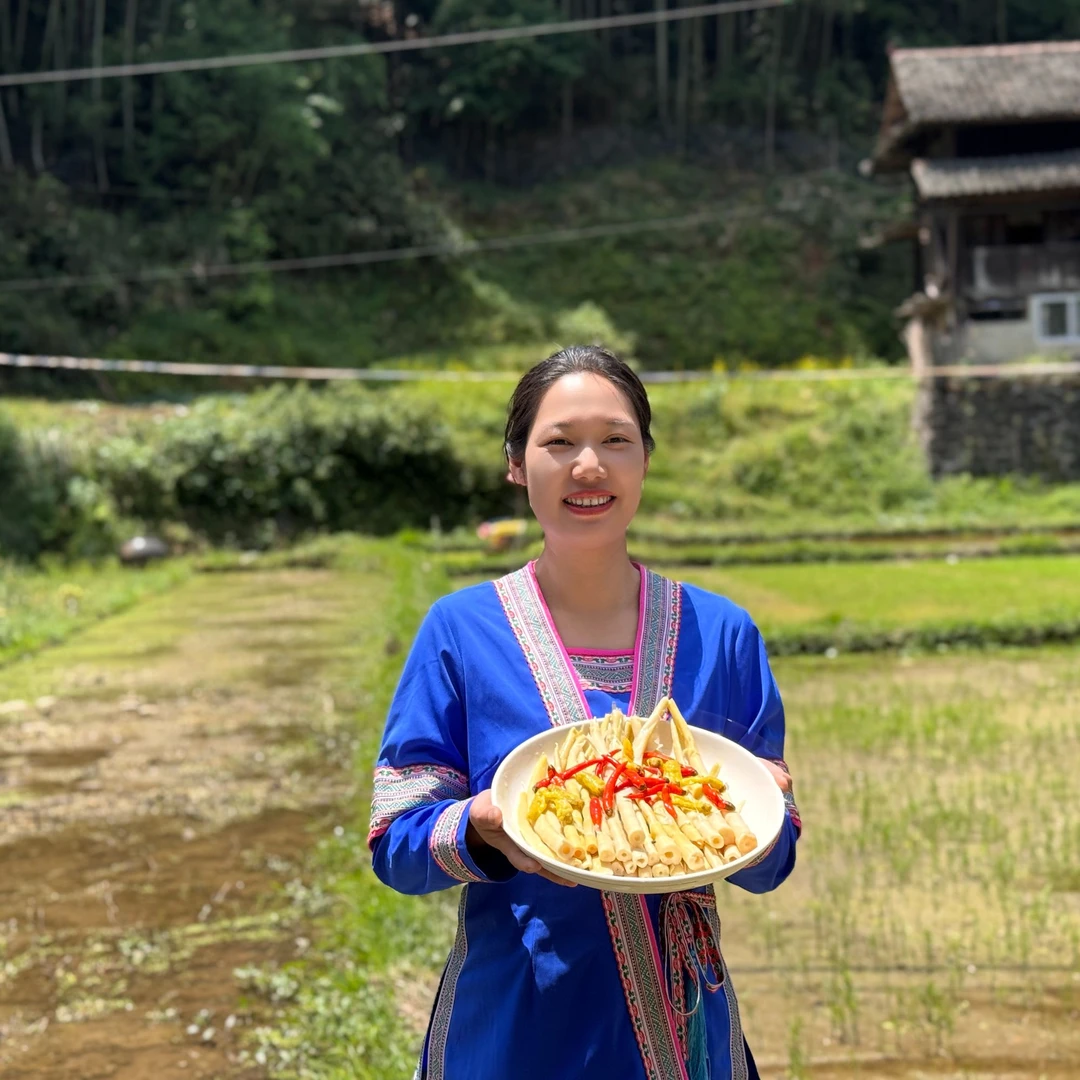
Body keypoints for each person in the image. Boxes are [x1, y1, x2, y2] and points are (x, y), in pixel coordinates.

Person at [368, 345, 801, 1080]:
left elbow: (768, 860)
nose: (589, 465)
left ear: (645, 461)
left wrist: (769, 817)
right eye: (559, 442)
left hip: (685, 1032)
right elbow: (394, 843)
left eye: (616, 441)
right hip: (518, 1024)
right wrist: (479, 830)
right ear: (516, 463)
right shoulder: (461, 631)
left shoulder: (722, 634)